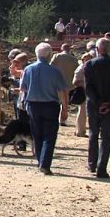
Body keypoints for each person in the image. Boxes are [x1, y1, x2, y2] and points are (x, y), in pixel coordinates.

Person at [20, 43, 69, 175]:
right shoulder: (55, 71)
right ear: (49, 55)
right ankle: (45, 163)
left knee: (37, 135)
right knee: (49, 136)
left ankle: (40, 160)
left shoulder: (28, 69)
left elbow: (23, 88)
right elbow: (62, 91)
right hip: (50, 105)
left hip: (33, 105)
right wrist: (65, 109)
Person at [85, 38, 110, 178]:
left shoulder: (89, 64)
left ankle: (92, 163)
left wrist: (98, 102)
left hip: (94, 105)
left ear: (97, 49)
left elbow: (88, 87)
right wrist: (109, 103)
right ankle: (101, 168)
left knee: (93, 134)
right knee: (106, 137)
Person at [50, 44, 79, 126]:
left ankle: (54, 118)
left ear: (61, 48)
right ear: (69, 49)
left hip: (56, 82)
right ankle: (62, 120)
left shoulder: (56, 56)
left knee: (55, 101)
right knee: (64, 103)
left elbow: (50, 67)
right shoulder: (74, 59)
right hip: (68, 84)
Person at [73, 52, 94, 137]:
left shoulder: (89, 68)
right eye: (86, 59)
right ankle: (80, 131)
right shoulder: (81, 68)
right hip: (83, 91)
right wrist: (84, 83)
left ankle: (79, 130)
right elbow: (75, 82)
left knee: (83, 112)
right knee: (82, 112)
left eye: (90, 58)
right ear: (83, 60)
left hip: (88, 91)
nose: (88, 60)